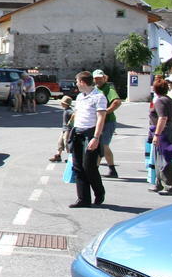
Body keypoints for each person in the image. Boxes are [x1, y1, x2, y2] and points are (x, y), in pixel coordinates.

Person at [68, 71, 107, 208]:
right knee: (78, 167)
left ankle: (99, 192)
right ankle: (83, 198)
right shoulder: (79, 97)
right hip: (78, 132)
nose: (76, 84)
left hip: (90, 133)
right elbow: (77, 114)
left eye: (77, 81)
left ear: (83, 82)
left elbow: (101, 117)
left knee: (89, 166)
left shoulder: (99, 96)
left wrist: (96, 137)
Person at [149, 78, 172, 195]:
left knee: (164, 158)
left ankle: (170, 186)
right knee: (160, 158)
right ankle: (159, 183)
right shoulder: (169, 100)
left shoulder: (160, 101)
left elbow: (162, 118)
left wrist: (157, 134)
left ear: (155, 89)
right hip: (169, 129)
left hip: (164, 131)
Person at [92, 69, 121, 179]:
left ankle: (95, 169)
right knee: (102, 146)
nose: (98, 80)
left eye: (100, 78)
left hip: (108, 122)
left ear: (105, 78)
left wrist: (105, 112)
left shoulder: (108, 89)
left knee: (102, 146)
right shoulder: (95, 89)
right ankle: (111, 169)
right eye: (96, 78)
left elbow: (117, 102)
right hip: (99, 121)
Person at [49, 95, 74, 162]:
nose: (61, 104)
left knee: (66, 142)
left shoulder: (69, 111)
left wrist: (70, 121)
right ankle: (58, 155)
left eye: (62, 103)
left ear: (65, 104)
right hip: (64, 129)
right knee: (60, 143)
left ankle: (71, 157)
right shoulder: (66, 110)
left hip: (68, 129)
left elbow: (74, 114)